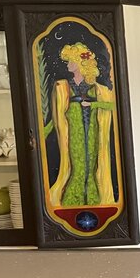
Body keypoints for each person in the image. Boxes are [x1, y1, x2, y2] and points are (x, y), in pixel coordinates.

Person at [45, 42, 117, 208]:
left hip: (92, 131)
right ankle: (72, 201)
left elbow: (112, 106)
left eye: (71, 61)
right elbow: (55, 116)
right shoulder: (63, 86)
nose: (68, 64)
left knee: (91, 167)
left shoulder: (96, 88)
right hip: (73, 134)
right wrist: (44, 132)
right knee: (77, 167)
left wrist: (93, 104)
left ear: (79, 63)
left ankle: (92, 200)